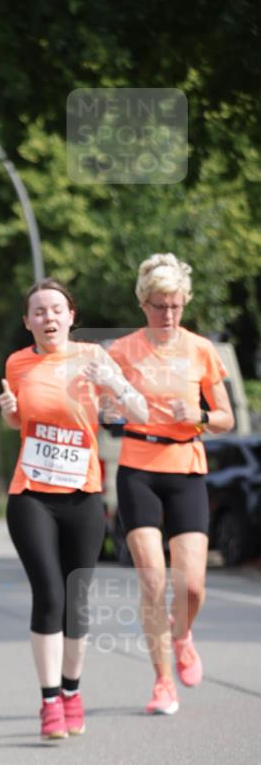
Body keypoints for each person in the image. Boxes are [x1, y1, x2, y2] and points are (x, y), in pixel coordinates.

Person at [0, 279, 148, 740]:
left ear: (71, 317)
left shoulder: (93, 357)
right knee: (49, 594)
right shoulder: (17, 363)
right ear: (27, 322)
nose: (48, 317)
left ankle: (71, 691)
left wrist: (113, 383)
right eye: (39, 311)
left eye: (56, 309)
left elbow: (141, 414)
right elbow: (19, 421)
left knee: (75, 598)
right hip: (32, 494)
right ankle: (49, 702)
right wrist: (8, 410)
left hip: (82, 495)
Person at [108, 254, 234, 715]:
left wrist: (199, 415)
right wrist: (116, 408)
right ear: (144, 304)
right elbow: (104, 408)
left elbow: (225, 418)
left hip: (186, 467)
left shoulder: (200, 349)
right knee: (152, 580)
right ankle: (163, 681)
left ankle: (182, 635)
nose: (168, 314)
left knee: (192, 586)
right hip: (138, 467)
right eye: (160, 305)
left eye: (176, 305)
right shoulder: (122, 351)